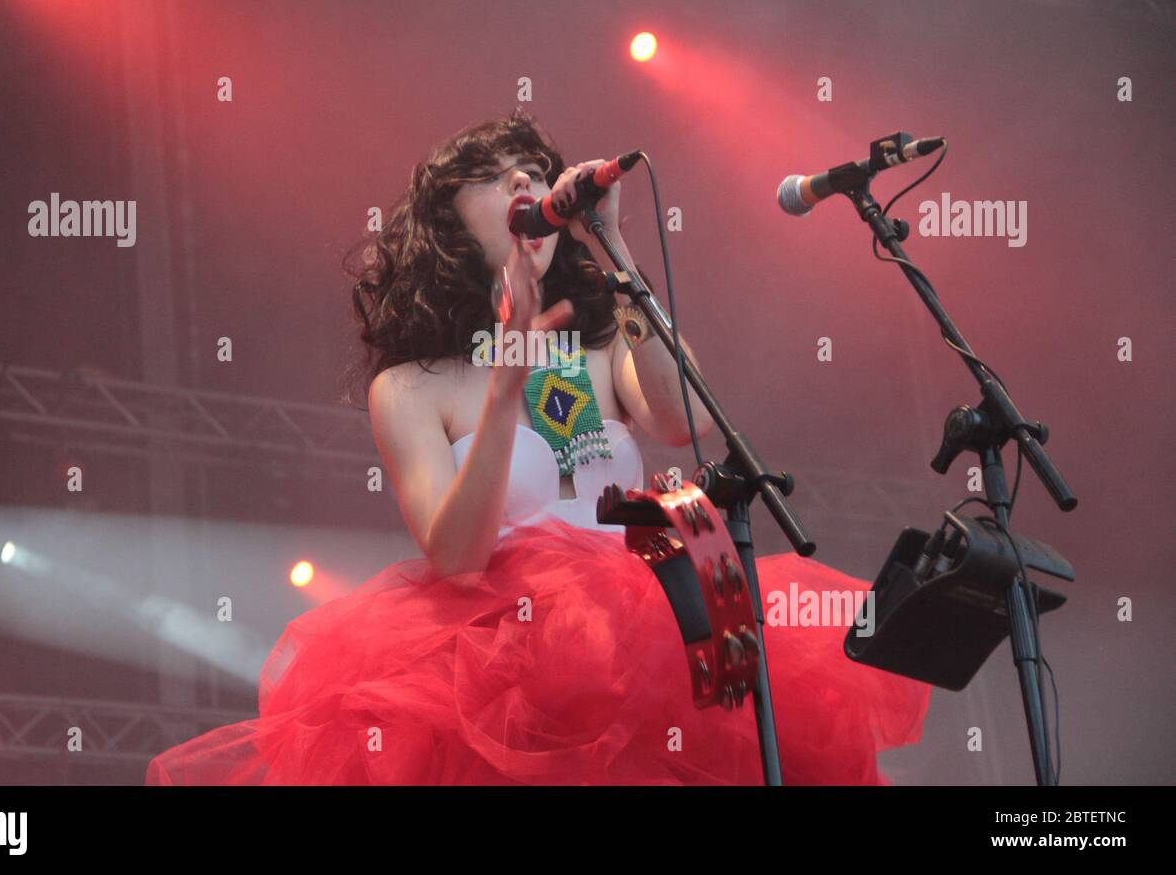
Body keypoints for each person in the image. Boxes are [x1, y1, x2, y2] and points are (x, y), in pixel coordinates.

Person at [145, 107, 931, 785]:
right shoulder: (414, 384)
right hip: (498, 673)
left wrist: (615, 250)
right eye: (494, 176)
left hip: (655, 641)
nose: (525, 183)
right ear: (450, 221)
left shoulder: (598, 344)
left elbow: (685, 419)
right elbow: (454, 556)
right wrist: (502, 390)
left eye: (534, 169)